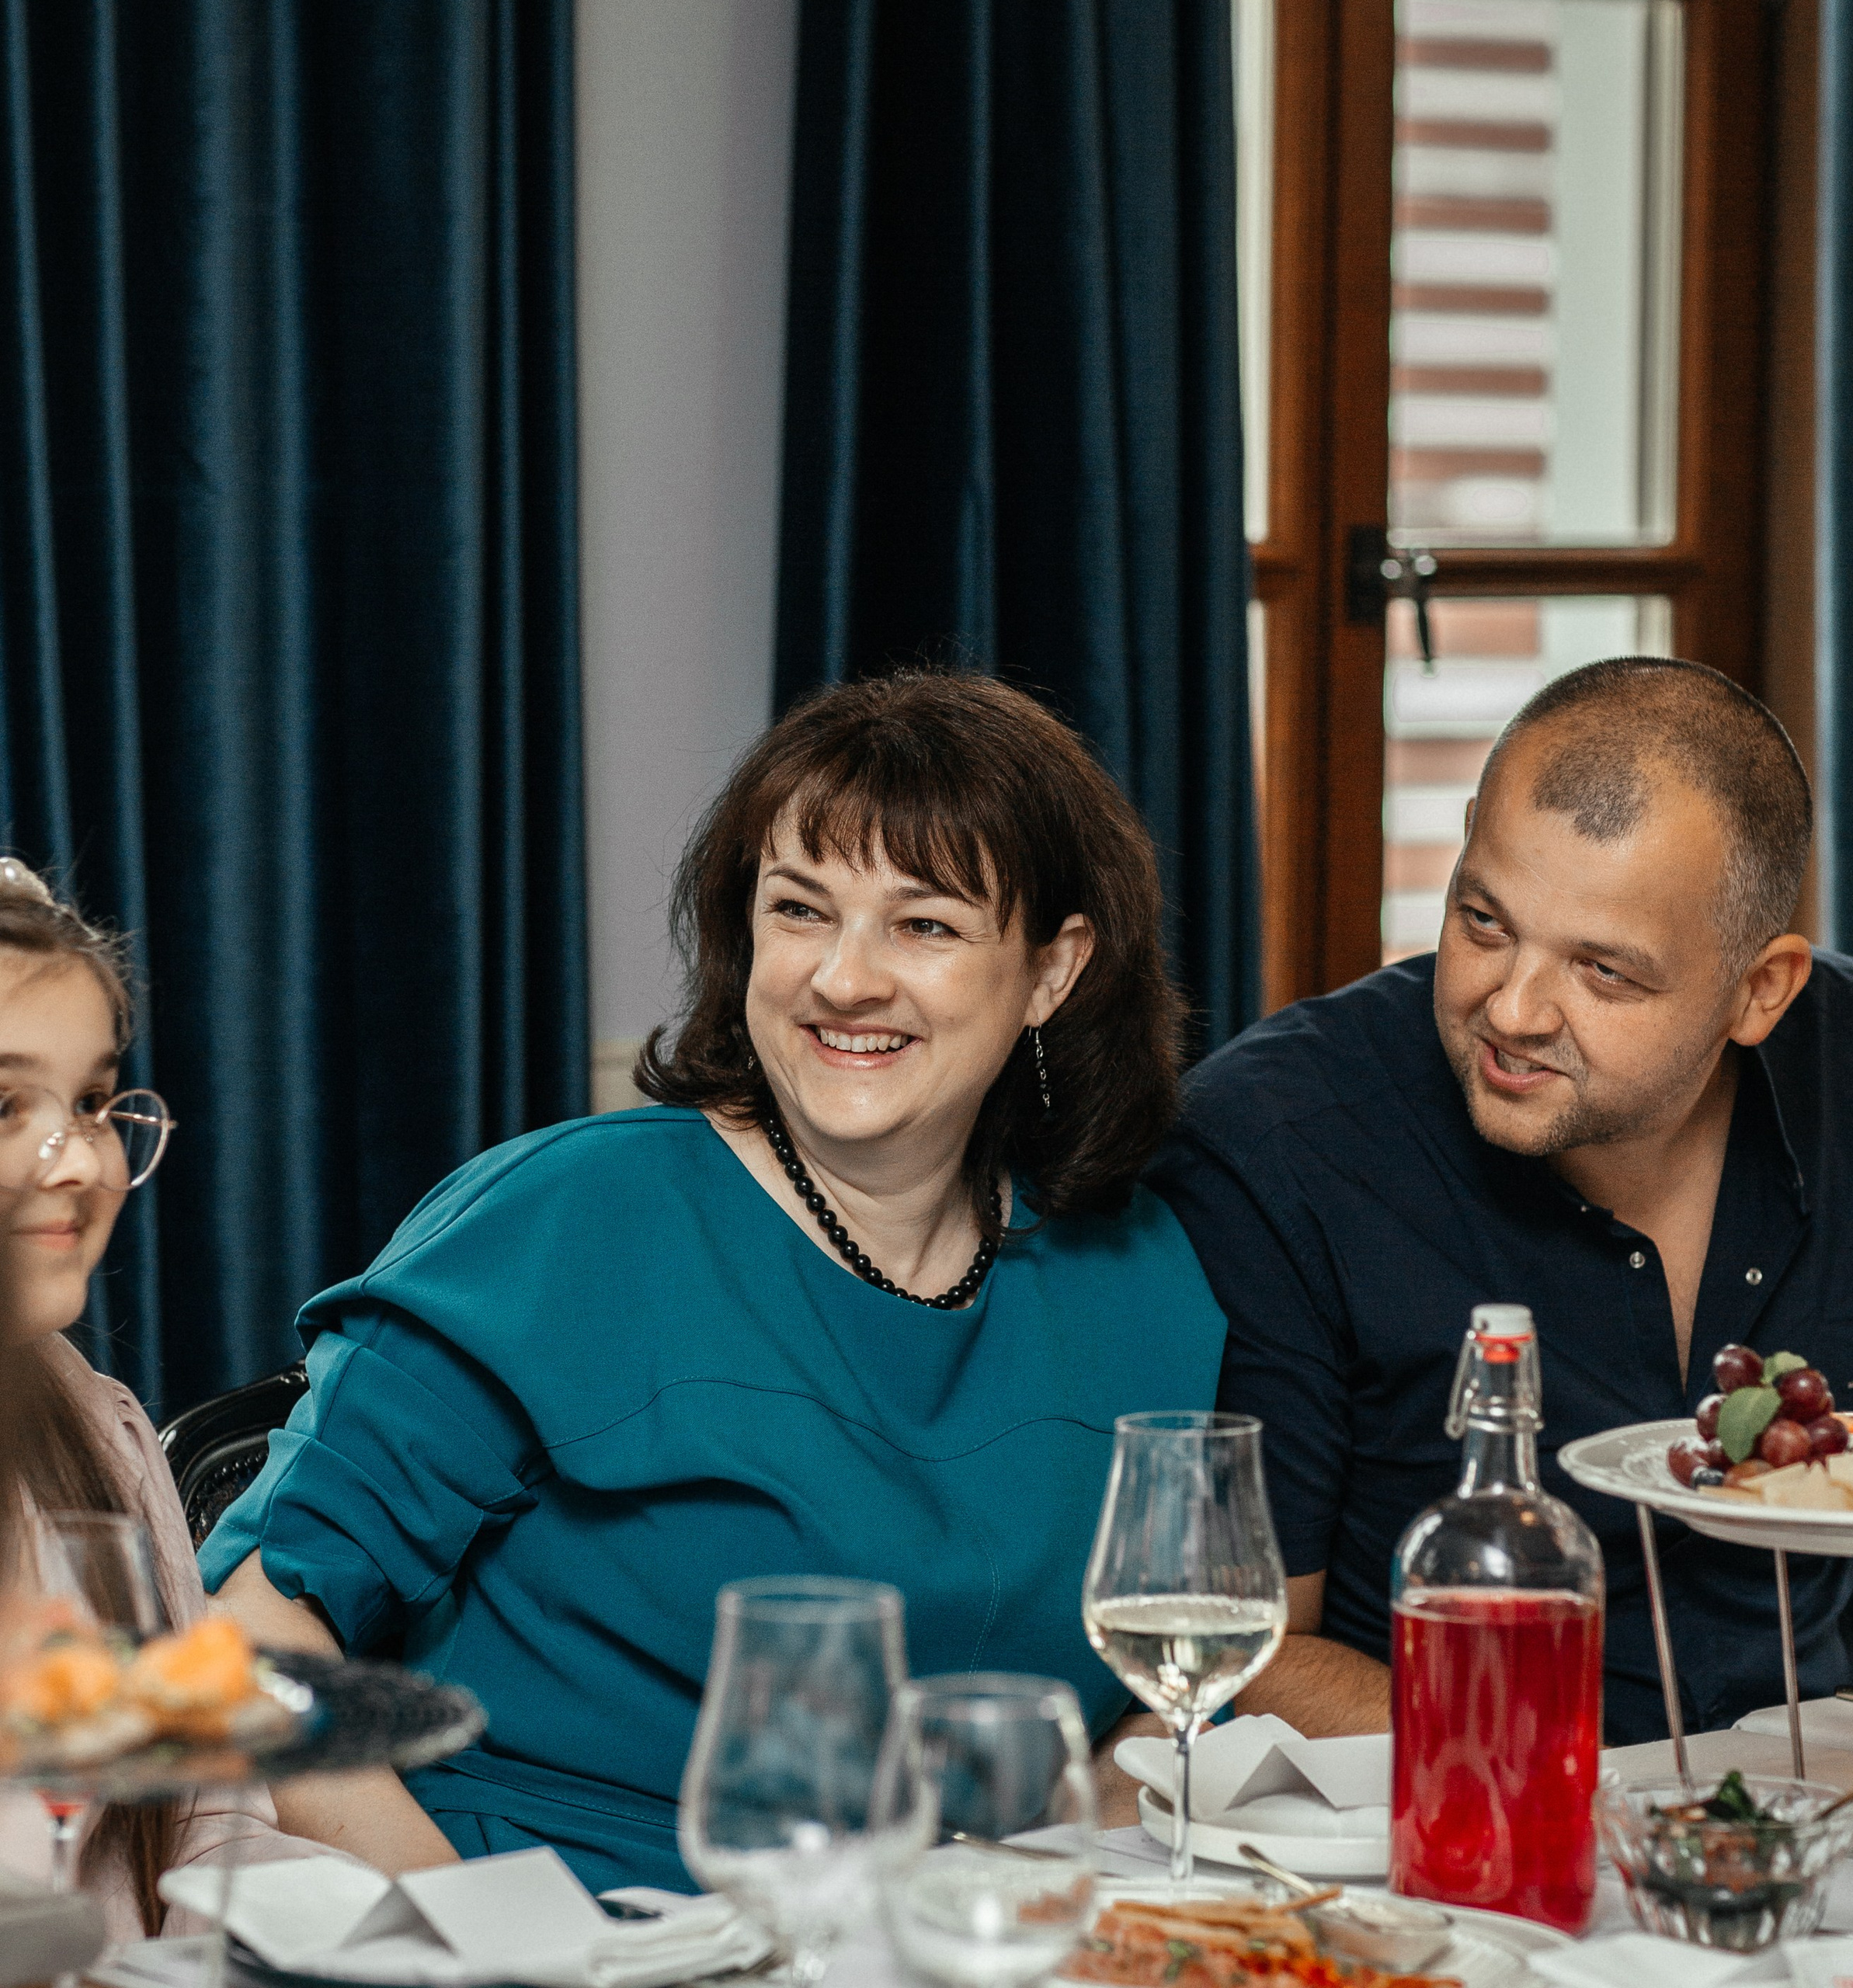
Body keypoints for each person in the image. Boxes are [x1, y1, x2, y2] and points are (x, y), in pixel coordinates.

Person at [203, 669, 1229, 1890]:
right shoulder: (562, 1225)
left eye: (925, 926)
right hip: (554, 1916)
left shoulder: (1140, 1277)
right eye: (800, 910)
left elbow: (1158, 1689)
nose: (843, 978)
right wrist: (474, 1940)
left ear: (1054, 971)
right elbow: (254, 1635)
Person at [1150, 656, 1853, 1743]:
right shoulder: (1273, 1141)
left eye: (1603, 972)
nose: (1513, 1010)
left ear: (1760, 991)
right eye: (1484, 921)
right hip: (1450, 1804)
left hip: (1841, 1787)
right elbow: (1248, 1652)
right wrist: (1594, 1799)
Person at [0, 860, 329, 1937]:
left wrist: (369, 1930)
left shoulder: (97, 1429)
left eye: (93, 1103)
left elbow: (206, 1817)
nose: (78, 1163)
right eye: (5, 1106)